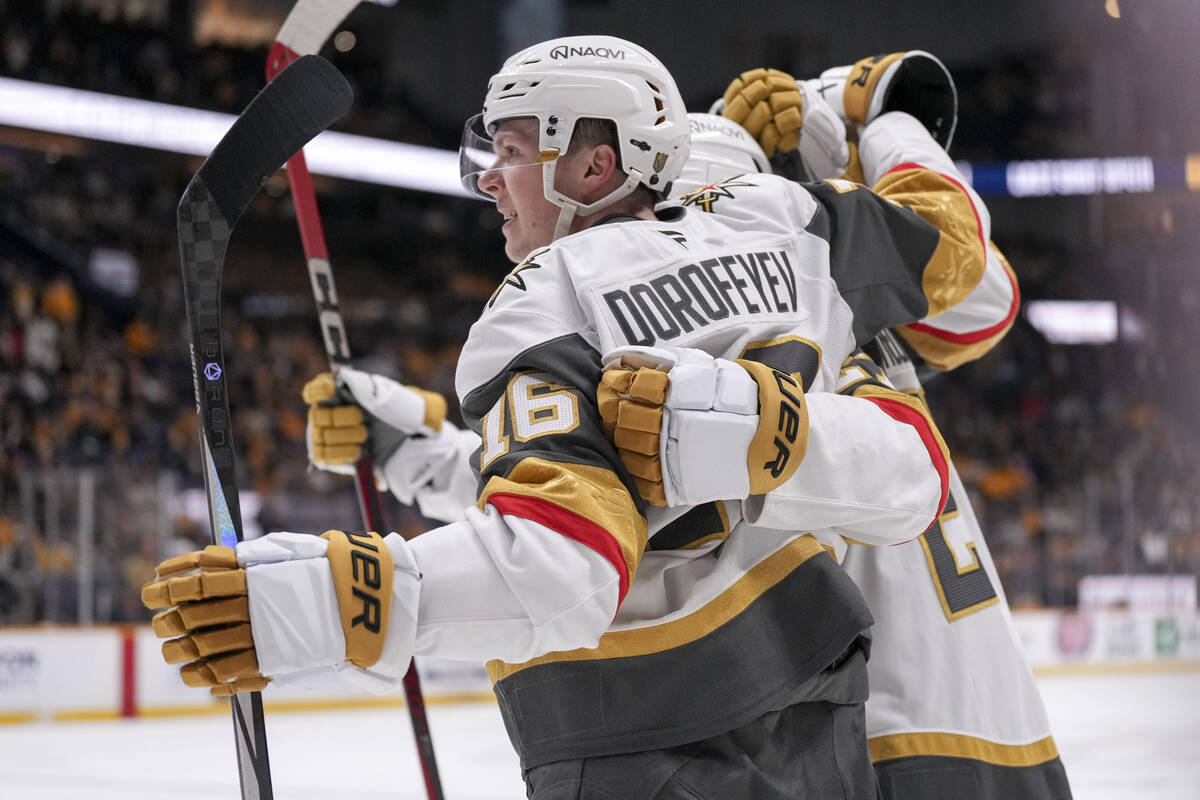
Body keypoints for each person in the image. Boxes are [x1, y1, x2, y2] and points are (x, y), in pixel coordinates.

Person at [144, 36, 987, 798]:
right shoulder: (790, 224)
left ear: (593, 165)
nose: (485, 179)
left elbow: (564, 560)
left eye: (508, 151)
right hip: (819, 699)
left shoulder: (545, 296)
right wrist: (875, 114)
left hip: (640, 736)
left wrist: (333, 597)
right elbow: (956, 253)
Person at [630, 58, 1072, 799]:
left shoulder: (703, 324)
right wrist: (852, 127)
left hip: (863, 734)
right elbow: (985, 295)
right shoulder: (850, 306)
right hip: (997, 713)